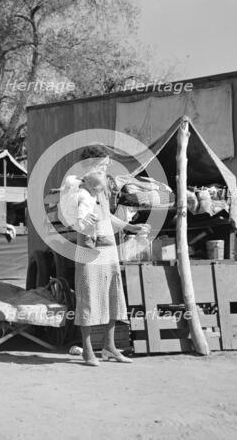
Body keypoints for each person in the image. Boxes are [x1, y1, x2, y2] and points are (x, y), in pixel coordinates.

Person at [70, 146, 149, 366]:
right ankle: (87, 351)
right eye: (102, 165)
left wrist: (130, 227)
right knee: (88, 297)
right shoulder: (81, 190)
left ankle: (109, 346)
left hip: (109, 249)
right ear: (90, 166)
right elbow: (77, 218)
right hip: (90, 251)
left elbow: (107, 216)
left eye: (106, 166)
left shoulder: (102, 189)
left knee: (113, 296)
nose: (105, 169)